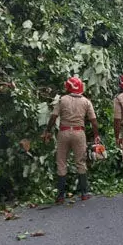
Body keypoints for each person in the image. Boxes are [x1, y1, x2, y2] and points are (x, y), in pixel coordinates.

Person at [43, 76, 101, 205]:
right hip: (79, 133)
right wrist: (96, 135)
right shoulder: (86, 102)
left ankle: (60, 196)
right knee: (80, 162)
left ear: (68, 87)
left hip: (63, 132)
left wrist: (47, 130)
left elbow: (53, 117)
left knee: (61, 162)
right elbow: (93, 121)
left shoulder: (62, 100)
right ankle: (84, 193)